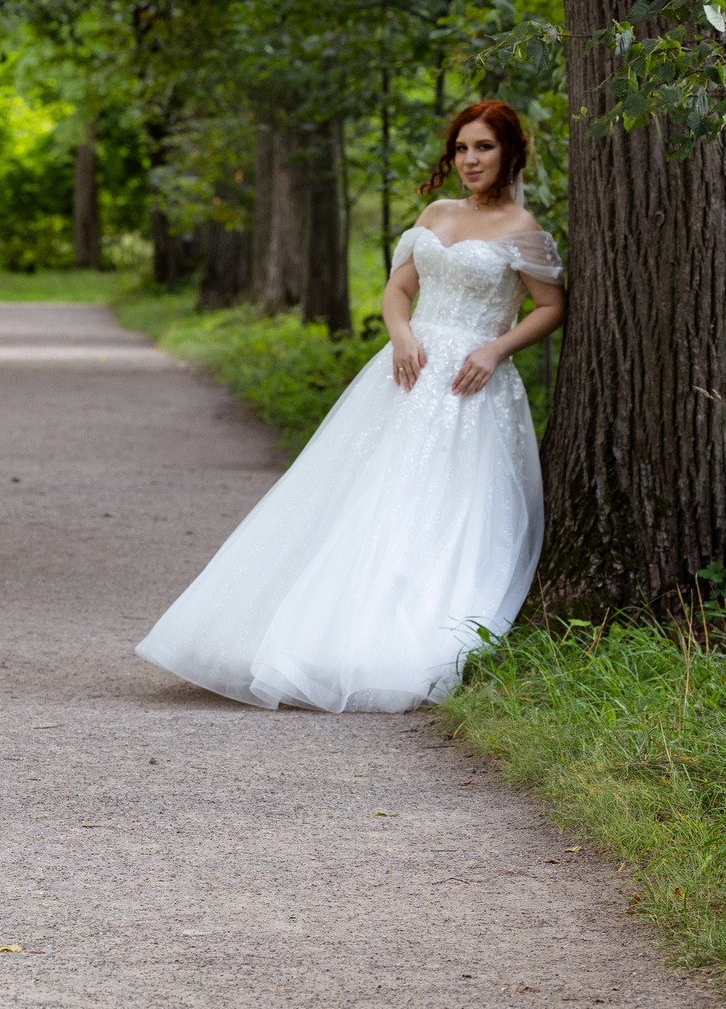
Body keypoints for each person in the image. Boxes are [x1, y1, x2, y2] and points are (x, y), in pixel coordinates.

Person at [137, 101, 565, 712]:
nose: (470, 160)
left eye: (484, 149)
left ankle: (396, 636)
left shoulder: (525, 232)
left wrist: (495, 348)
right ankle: (294, 632)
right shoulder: (437, 213)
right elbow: (399, 288)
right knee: (358, 492)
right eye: (463, 148)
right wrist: (401, 335)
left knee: (441, 502)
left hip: (469, 385)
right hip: (406, 370)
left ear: (511, 153)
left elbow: (552, 307)